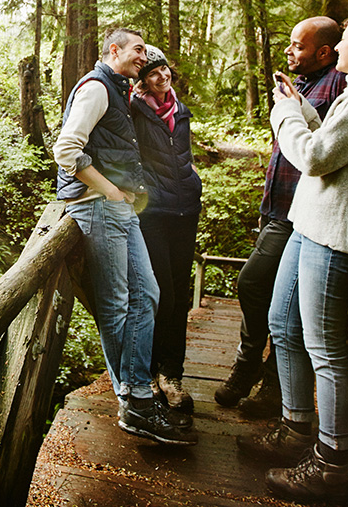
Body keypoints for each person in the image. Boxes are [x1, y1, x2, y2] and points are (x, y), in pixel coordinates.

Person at [240, 9, 348, 501]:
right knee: (282, 323)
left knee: (325, 350)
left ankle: (330, 462)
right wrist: (304, 110)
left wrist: (284, 115)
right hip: (310, 222)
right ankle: (295, 429)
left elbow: (314, 157)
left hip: (336, 234)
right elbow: (332, 144)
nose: (337, 47)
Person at [52, 27, 197, 445]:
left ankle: (137, 395)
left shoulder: (119, 90)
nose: (143, 56)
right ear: (113, 50)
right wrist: (109, 190)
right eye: (137, 50)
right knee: (116, 303)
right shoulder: (97, 87)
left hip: (120, 208)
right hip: (98, 206)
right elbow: (66, 149)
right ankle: (134, 401)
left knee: (147, 294)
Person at [214, 17, 348, 418]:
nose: (290, 52)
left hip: (301, 214)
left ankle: (262, 372)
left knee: (254, 284)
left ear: (323, 51)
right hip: (277, 207)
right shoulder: (304, 84)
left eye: (298, 46)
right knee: (269, 293)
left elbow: (321, 149)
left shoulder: (338, 86)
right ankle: (262, 375)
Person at [127, 45, 204, 416]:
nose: (163, 77)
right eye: (154, 73)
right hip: (153, 212)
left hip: (185, 210)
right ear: (142, 80)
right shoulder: (133, 109)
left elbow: (183, 156)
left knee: (181, 292)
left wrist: (193, 184)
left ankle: (172, 375)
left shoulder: (180, 110)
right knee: (163, 295)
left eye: (165, 70)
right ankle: (150, 374)